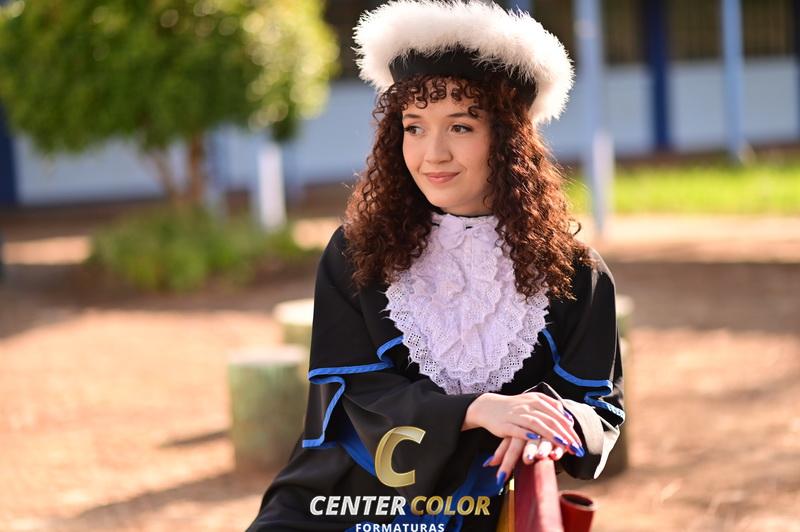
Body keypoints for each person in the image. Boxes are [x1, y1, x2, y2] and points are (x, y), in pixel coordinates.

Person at [247, 1, 625, 530]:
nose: (433, 154)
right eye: (415, 127)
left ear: (510, 139)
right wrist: (476, 409)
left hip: (480, 510)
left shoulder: (574, 272)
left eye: (461, 127)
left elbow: (597, 405)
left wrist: (551, 425)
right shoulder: (357, 251)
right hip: (339, 503)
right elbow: (351, 394)